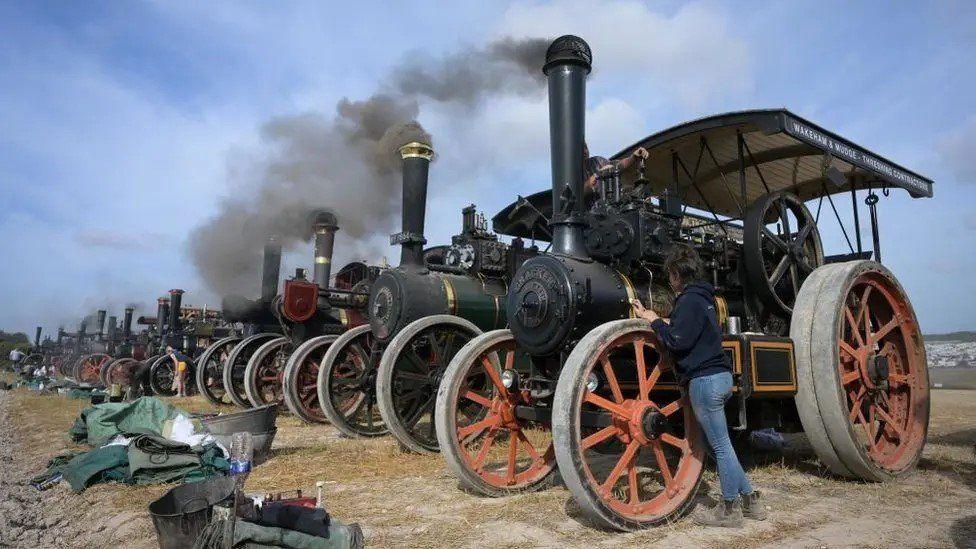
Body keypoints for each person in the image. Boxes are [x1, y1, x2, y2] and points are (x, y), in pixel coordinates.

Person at [631, 244, 767, 528]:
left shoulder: (688, 301)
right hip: (719, 376)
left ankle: (729, 510)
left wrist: (655, 322)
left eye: (671, 275)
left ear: (678, 274)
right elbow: (687, 330)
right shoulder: (704, 299)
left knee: (720, 447)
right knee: (724, 445)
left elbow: (678, 340)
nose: (670, 280)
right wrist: (652, 316)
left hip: (704, 382)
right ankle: (751, 500)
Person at [582, 142, 648, 200]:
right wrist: (597, 176)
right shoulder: (572, 174)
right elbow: (576, 194)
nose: (584, 151)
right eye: (580, 148)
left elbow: (618, 166)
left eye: (585, 147)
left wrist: (633, 157)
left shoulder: (597, 161)